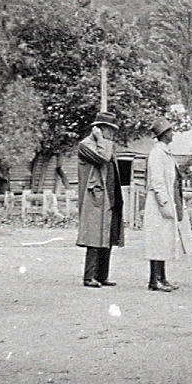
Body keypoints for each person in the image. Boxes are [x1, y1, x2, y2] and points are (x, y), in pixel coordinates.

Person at [77, 111, 124, 288]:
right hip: (95, 196)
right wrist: (100, 139)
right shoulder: (86, 145)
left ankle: (103, 275)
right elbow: (103, 158)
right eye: (109, 129)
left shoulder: (106, 144)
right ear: (99, 129)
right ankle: (89, 276)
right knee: (94, 236)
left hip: (110, 194)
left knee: (108, 235)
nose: (112, 133)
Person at [142, 118, 189, 292]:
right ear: (163, 134)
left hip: (166, 201)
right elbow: (157, 181)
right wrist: (164, 202)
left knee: (163, 240)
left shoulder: (166, 153)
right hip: (158, 203)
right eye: (170, 131)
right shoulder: (157, 153)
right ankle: (154, 281)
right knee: (157, 241)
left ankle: (162, 277)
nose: (172, 134)